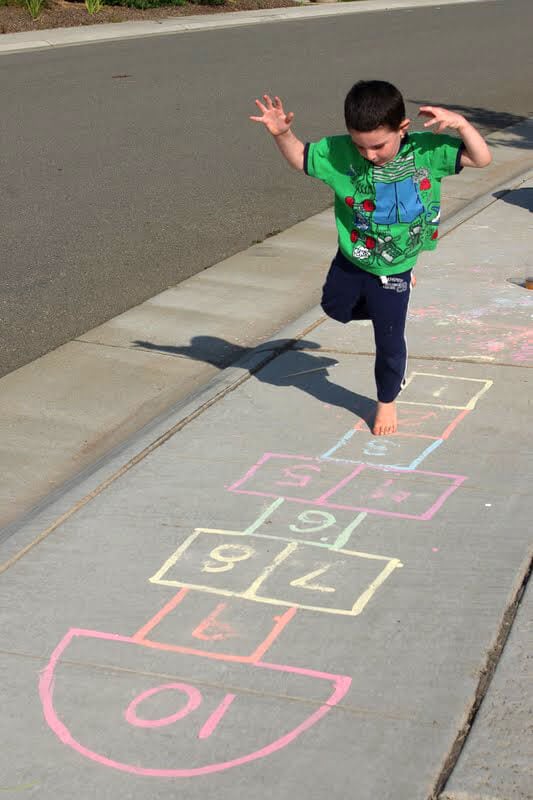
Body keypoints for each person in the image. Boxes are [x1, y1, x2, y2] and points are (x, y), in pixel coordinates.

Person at [250, 80, 491, 435]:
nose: (370, 155)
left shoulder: (426, 151)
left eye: (378, 145)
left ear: (402, 128)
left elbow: (481, 159)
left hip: (396, 264)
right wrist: (282, 134)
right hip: (353, 257)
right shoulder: (341, 152)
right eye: (361, 146)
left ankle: (387, 400)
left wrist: (461, 124)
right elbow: (301, 158)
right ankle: (384, 300)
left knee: (389, 338)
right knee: (335, 308)